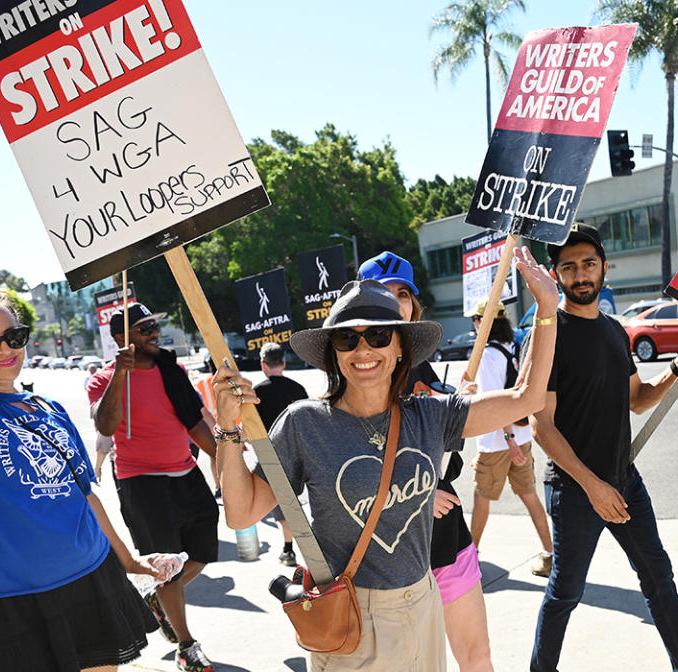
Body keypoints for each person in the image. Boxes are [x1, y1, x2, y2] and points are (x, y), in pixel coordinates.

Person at [213, 248, 558, 672]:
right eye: (347, 337)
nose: (363, 349)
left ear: (400, 348)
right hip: (354, 619)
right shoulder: (305, 424)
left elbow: (528, 397)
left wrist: (547, 311)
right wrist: (228, 431)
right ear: (333, 352)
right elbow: (241, 512)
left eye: (378, 335)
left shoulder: (429, 415)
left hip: (424, 600)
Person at [530, 223, 678, 672]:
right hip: (576, 491)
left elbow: (638, 399)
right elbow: (541, 427)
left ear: (604, 269)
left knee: (658, 576)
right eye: (569, 267)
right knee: (566, 593)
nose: (580, 275)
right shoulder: (549, 334)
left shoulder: (615, 331)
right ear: (556, 274)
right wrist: (593, 487)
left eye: (588, 264)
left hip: (624, 480)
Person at [0, 266, 159, 672]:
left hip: (88, 580)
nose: (4, 349)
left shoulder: (50, 409)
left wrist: (128, 560)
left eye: (14, 336)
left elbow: (86, 497)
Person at [358, 251, 493, 671]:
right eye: (382, 292)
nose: (394, 301)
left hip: (446, 538)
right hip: (391, 551)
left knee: (477, 657)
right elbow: (342, 458)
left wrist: (458, 412)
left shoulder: (424, 366)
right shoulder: (351, 370)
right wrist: (415, 487)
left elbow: (447, 464)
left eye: (402, 292)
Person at [88, 304, 219, 672]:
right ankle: (186, 646)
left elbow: (194, 423)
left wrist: (225, 457)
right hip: (141, 482)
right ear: (120, 338)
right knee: (167, 569)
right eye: (143, 327)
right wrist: (120, 376)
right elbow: (107, 425)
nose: (152, 332)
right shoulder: (103, 379)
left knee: (204, 552)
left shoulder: (172, 370)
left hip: (186, 474)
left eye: (152, 325)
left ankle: (160, 598)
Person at [466, 297, 553, 577]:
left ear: (482, 323)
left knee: (482, 499)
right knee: (529, 496)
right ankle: (551, 554)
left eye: (476, 321)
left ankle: (469, 559)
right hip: (522, 434)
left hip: (498, 441)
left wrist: (509, 441)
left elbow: (495, 402)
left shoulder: (488, 356)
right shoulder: (513, 347)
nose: (474, 326)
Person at [254, 341, 308, 566]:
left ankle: (289, 550)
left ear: (262, 364)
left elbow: (251, 428)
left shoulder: (257, 393)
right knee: (291, 503)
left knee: (283, 507)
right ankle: (294, 548)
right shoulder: (298, 388)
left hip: (271, 457)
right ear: (283, 363)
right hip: (300, 455)